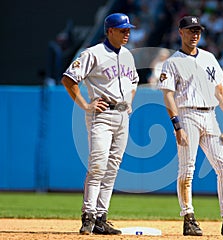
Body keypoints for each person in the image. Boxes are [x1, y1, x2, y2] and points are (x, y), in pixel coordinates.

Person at [158, 16, 223, 237]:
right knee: (187, 170)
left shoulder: (209, 58)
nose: (195, 34)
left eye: (198, 30)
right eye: (191, 30)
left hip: (210, 116)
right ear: (181, 32)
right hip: (187, 114)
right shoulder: (172, 62)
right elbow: (168, 96)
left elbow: (219, 91)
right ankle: (188, 218)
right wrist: (177, 125)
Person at [61, 13, 139, 235]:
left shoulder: (128, 56)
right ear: (110, 31)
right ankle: (88, 216)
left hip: (122, 116)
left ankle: (101, 218)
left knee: (113, 168)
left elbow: (133, 81)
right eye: (123, 29)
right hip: (101, 116)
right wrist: (85, 105)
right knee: (98, 165)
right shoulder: (92, 53)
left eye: (128, 29)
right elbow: (68, 79)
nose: (127, 33)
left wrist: (129, 102)